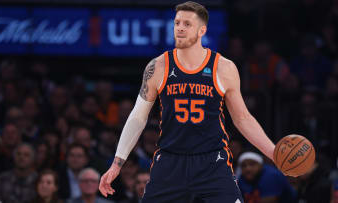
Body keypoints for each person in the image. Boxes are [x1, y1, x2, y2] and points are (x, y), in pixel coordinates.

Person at [99, 1, 276, 203]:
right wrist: (116, 164)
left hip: (212, 161)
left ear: (202, 30)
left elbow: (243, 118)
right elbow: (138, 117)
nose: (180, 28)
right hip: (170, 161)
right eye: (177, 23)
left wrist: (273, 152)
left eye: (187, 24)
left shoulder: (223, 67)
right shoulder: (158, 66)